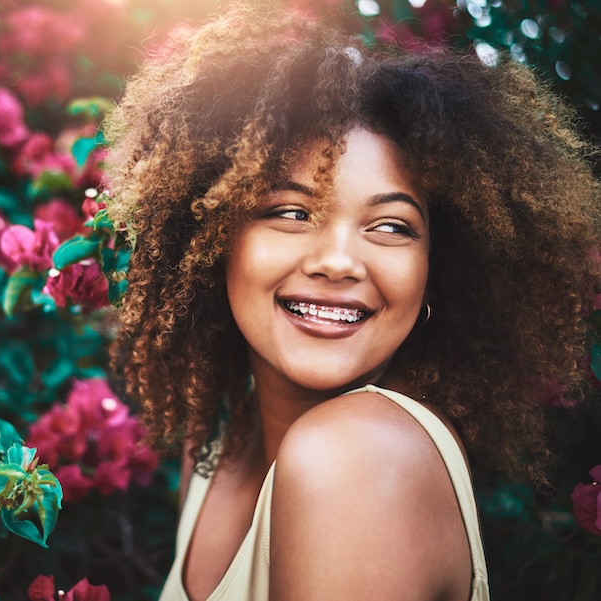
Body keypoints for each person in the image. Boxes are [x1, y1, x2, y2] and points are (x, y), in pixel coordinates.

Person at [102, 5, 601, 600]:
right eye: (291, 212)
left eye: (391, 226)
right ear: (215, 239)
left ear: (436, 273)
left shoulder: (355, 459)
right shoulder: (216, 440)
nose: (338, 260)